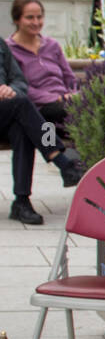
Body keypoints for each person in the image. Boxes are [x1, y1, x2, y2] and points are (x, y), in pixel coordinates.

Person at [1, 34, 85, 225]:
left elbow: (19, 81)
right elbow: (29, 91)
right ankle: (63, 162)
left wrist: (12, 90)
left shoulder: (1, 46)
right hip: (40, 109)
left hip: (16, 113)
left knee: (21, 129)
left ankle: (21, 201)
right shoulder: (12, 46)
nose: (36, 22)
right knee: (23, 106)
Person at [7, 0, 79, 146]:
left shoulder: (52, 45)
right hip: (39, 108)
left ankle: (74, 163)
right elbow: (21, 87)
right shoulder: (9, 50)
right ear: (16, 20)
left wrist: (74, 94)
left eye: (39, 17)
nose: (36, 22)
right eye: (29, 17)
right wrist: (57, 99)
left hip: (66, 105)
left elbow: (69, 77)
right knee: (67, 116)